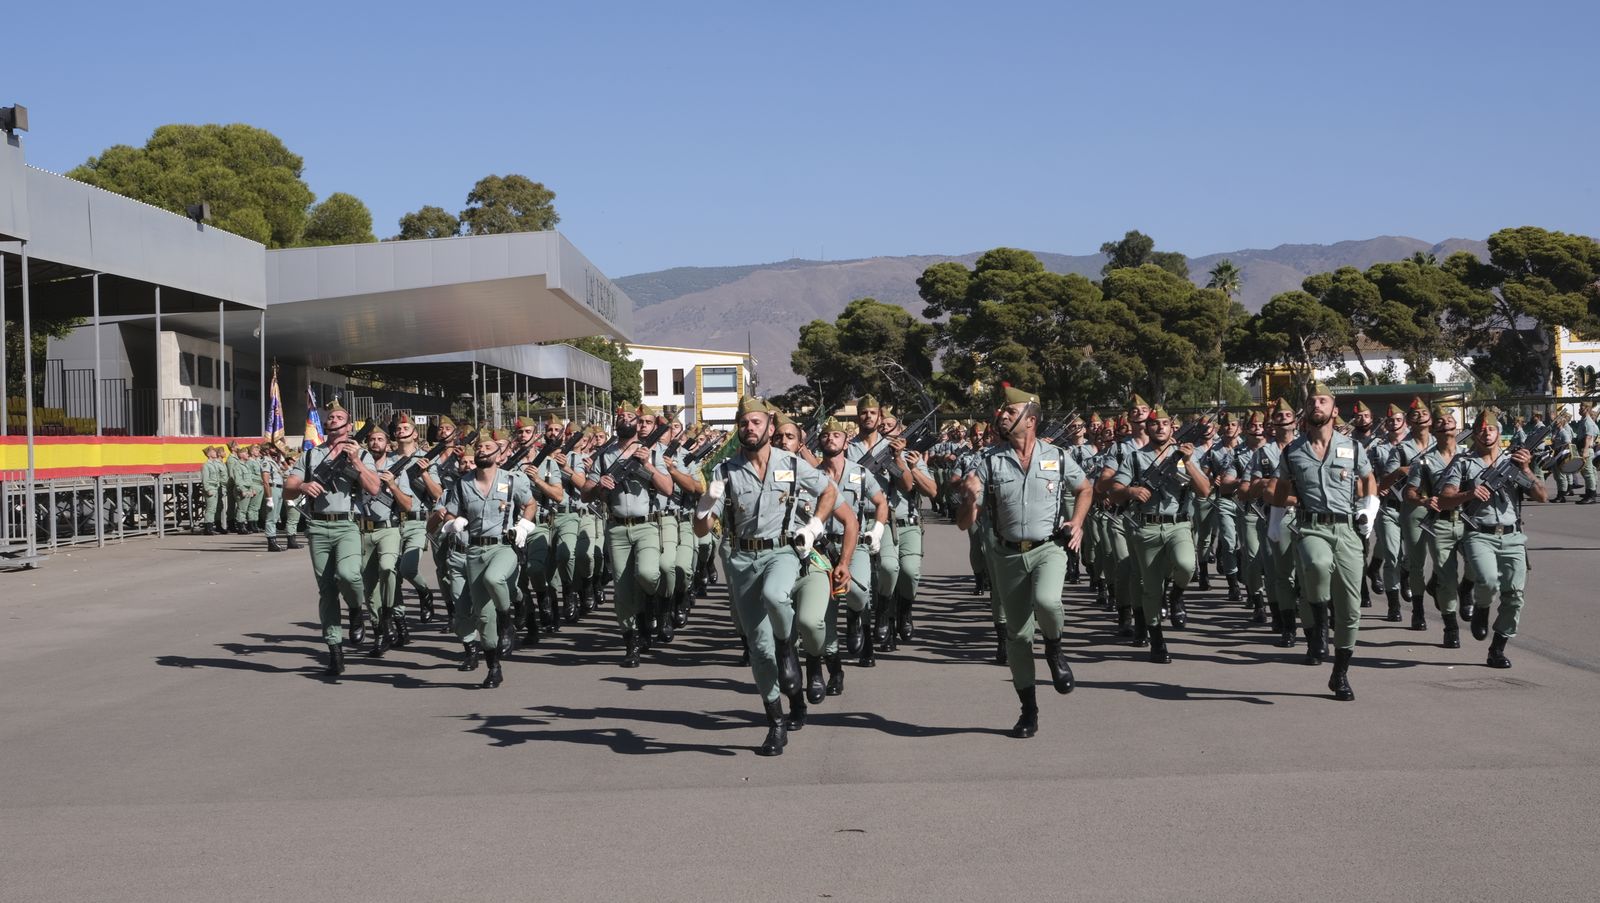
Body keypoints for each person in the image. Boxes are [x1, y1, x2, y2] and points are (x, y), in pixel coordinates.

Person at [695, 396, 837, 756]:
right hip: (742, 559)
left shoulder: (790, 462)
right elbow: (701, 530)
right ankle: (777, 719)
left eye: (757, 422)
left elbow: (829, 489)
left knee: (777, 596)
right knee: (758, 648)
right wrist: (703, 507)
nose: (750, 428)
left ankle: (788, 645)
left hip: (782, 551)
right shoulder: (724, 471)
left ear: (770, 428)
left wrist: (816, 525)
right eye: (744, 423)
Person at [958, 385, 1092, 738]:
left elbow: (1085, 488)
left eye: (1010, 410)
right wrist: (970, 499)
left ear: (1029, 420)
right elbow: (964, 523)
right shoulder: (988, 460)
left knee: (1048, 601)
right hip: (1006, 555)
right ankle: (1028, 710)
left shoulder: (1058, 456)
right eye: (1002, 410)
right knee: (1017, 636)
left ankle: (1054, 649)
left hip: (1048, 548)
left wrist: (1077, 522)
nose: (1002, 414)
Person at [1267, 382, 1377, 701]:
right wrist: (1275, 520)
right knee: (1315, 563)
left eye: (1323, 400)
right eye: (1313, 401)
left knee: (1351, 608)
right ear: (1306, 410)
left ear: (1334, 410)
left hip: (1346, 530)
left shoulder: (1353, 447)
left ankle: (1340, 673)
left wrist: (1370, 508)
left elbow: (1369, 479)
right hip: (1311, 525)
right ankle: (1317, 625)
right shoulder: (1293, 450)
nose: (1318, 404)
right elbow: (1280, 486)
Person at [1437, 410, 1546, 668]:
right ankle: (1482, 607)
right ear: (1474, 433)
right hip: (1479, 534)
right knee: (1487, 581)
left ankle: (1497, 648)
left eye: (1492, 429)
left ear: (1499, 433)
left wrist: (1527, 469)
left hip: (1512, 536)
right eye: (1482, 429)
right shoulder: (1463, 462)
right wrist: (1470, 494)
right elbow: (1443, 499)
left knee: (1515, 596)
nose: (1487, 433)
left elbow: (1541, 495)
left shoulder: (1515, 462)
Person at [433, 430, 539, 688]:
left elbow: (531, 503)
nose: (481, 450)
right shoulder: (462, 483)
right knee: (482, 617)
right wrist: (452, 522)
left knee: (495, 579)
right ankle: (493, 667)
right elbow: (451, 512)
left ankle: (507, 620)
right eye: (478, 447)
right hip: (474, 551)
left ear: (499, 454)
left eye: (487, 446)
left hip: (503, 546)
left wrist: (524, 525)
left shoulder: (512, 480)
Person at [283, 400, 380, 676]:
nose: (334, 419)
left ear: (349, 426)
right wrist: (303, 484)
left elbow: (374, 488)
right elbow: (288, 489)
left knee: (349, 575)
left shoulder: (359, 452)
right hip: (318, 527)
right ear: (326, 425)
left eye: (340, 417)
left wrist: (357, 462)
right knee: (326, 590)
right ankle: (335, 650)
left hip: (347, 525)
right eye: (331, 417)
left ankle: (355, 608)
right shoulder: (312, 456)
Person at [573, 406, 676, 667]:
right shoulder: (604, 455)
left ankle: (650, 604)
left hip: (647, 525)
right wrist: (599, 486)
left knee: (648, 574)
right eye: (621, 418)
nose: (626, 421)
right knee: (622, 589)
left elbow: (667, 488)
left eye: (632, 418)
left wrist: (648, 465)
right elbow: (585, 492)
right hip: (617, 527)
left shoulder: (652, 451)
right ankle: (631, 643)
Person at [1110, 405, 1212, 662]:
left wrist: (1188, 463)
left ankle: (1176, 595)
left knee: (1187, 565)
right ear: (1148, 427)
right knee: (1151, 588)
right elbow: (1114, 489)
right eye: (1155, 424)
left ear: (1172, 427)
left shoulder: (1185, 454)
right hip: (1147, 528)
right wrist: (1131, 492)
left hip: (1178, 524)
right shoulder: (1134, 457)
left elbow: (1205, 491)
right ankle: (1156, 639)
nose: (1160, 427)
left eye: (1164, 423)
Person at [816, 417, 888, 691]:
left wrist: (878, 529)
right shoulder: (813, 474)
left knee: (858, 593)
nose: (830, 439)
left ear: (846, 442)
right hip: (822, 549)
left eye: (836, 435)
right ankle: (835, 670)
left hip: (853, 544)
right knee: (826, 612)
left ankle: (860, 622)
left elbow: (880, 502)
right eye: (825, 435)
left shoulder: (859, 473)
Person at [1404, 405, 1465, 648]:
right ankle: (1447, 624)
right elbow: (1409, 492)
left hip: (1469, 522)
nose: (1444, 423)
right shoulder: (1425, 461)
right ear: (1434, 428)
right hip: (1438, 522)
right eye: (1439, 421)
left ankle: (1459, 588)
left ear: (1456, 427)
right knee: (1437, 571)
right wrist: (1424, 500)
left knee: (1477, 567)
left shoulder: (1468, 454)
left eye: (1449, 419)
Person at [356, 425, 415, 656]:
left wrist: (391, 484)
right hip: (363, 531)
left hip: (389, 528)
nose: (375, 443)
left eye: (380, 439)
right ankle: (379, 631)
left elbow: (408, 505)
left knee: (388, 569)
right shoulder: (358, 467)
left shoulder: (397, 469)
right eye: (371, 439)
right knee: (370, 588)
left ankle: (389, 614)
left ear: (387, 444)